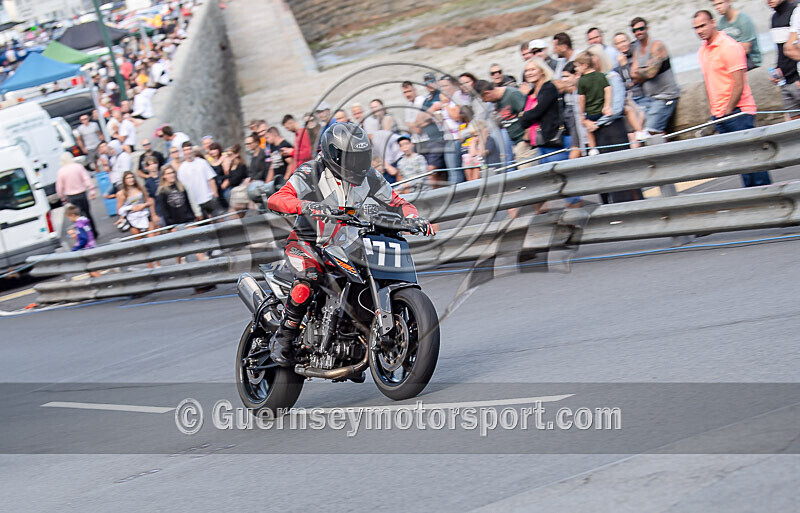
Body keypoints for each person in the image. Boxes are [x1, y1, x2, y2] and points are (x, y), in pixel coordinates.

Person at [265, 122, 433, 366]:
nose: (357, 164)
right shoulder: (311, 171)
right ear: (333, 155)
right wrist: (307, 205)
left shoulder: (371, 177)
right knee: (309, 276)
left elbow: (397, 202)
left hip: (348, 243)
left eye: (361, 157)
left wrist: (412, 217)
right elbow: (277, 199)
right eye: (350, 159)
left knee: (370, 273)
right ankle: (284, 338)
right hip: (308, 242)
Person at [694, 10, 770, 187]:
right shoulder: (703, 51)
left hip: (738, 112)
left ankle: (767, 200)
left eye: (702, 25)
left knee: (754, 162)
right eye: (696, 27)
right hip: (720, 115)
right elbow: (711, 83)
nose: (699, 30)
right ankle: (754, 203)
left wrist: (728, 111)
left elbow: (739, 83)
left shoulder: (729, 46)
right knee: (741, 165)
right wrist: (716, 114)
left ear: (713, 23)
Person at [584, 45, 641, 203]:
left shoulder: (612, 77)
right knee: (606, 175)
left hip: (614, 130)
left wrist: (597, 122)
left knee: (623, 172)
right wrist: (587, 121)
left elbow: (616, 108)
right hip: (599, 133)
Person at [629, 17, 681, 134]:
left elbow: (651, 73)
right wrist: (645, 70)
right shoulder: (636, 49)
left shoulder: (657, 45)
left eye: (641, 29)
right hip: (649, 97)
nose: (638, 32)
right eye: (635, 30)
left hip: (665, 96)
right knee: (638, 131)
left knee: (651, 131)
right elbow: (633, 75)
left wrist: (642, 71)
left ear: (647, 28)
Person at [475, 79, 528, 159]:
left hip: (523, 140)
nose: (486, 102)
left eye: (484, 99)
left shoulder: (512, 94)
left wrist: (526, 139)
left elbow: (527, 115)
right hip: (513, 142)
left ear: (487, 93)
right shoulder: (497, 102)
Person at [767, 0, 800, 120]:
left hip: (797, 79)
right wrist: (777, 69)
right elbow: (781, 51)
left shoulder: (795, 13)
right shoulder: (774, 18)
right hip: (785, 82)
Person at [576, 52, 612, 156]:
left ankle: (593, 148)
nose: (576, 70)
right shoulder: (601, 76)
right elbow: (608, 89)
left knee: (588, 130)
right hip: (602, 110)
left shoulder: (582, 81)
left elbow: (581, 99)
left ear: (584, 65)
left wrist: (581, 114)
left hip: (591, 113)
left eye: (577, 67)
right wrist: (607, 105)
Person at [56, 152, 99, 238]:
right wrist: (91, 189)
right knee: (87, 213)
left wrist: (62, 197)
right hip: (81, 193)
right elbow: (86, 178)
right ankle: (93, 232)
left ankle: (83, 235)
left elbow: (59, 187)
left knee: (76, 216)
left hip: (70, 196)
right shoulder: (78, 167)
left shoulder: (61, 171)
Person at [177, 142, 222, 220]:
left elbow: (211, 179)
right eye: (185, 150)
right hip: (196, 203)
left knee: (219, 219)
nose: (188, 152)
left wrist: (215, 194)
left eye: (189, 149)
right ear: (183, 152)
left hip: (209, 198)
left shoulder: (202, 162)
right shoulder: (181, 169)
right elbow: (182, 188)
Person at [711, 0, 762, 70]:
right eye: (715, 5)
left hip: (750, 60)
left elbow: (746, 49)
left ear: (729, 2)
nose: (718, 7)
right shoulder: (721, 23)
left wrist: (727, 49)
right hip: (732, 58)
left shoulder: (743, 20)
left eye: (720, 3)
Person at [116, 171, 157, 239]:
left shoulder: (140, 189)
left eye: (132, 177)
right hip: (132, 218)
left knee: (151, 237)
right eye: (128, 178)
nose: (131, 179)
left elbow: (150, 201)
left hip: (145, 214)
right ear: (124, 180)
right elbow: (119, 210)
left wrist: (144, 206)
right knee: (139, 239)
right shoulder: (121, 194)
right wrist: (130, 208)